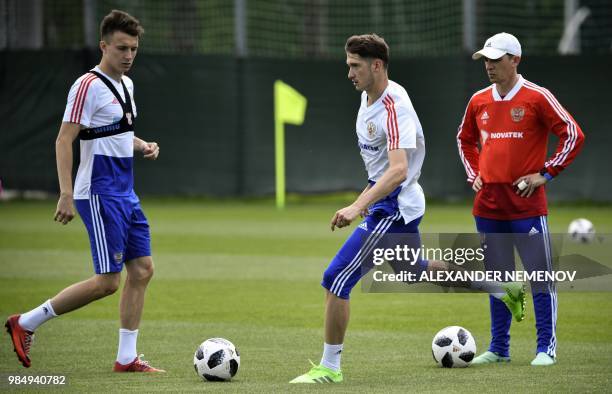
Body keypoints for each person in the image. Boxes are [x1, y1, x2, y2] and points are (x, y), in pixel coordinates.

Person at [291, 34, 526, 384]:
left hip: (395, 207)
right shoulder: (367, 99)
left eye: (355, 66)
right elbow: (378, 172)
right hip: (389, 202)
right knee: (413, 269)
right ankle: (499, 286)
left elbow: (398, 170)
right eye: (348, 66)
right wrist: (365, 198)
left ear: (377, 65)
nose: (349, 73)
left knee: (335, 279)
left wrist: (357, 206)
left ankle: (329, 368)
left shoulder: (394, 105)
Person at [5, 9, 164, 372]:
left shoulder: (128, 85)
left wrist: (141, 145)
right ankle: (25, 322)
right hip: (98, 190)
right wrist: (65, 192)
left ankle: (127, 358)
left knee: (142, 270)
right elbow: (65, 139)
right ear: (103, 46)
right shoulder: (86, 85)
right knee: (108, 282)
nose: (128, 56)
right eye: (121, 48)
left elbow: (115, 130)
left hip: (125, 190)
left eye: (134, 49)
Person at [457, 32, 585, 366]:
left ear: (515, 60)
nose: (489, 66)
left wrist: (546, 173)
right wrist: (475, 173)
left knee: (540, 275)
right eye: (486, 60)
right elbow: (464, 139)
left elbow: (572, 134)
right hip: (488, 205)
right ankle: (499, 348)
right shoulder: (478, 100)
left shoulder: (537, 97)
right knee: (498, 279)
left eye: (496, 60)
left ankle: (546, 348)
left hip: (526, 205)